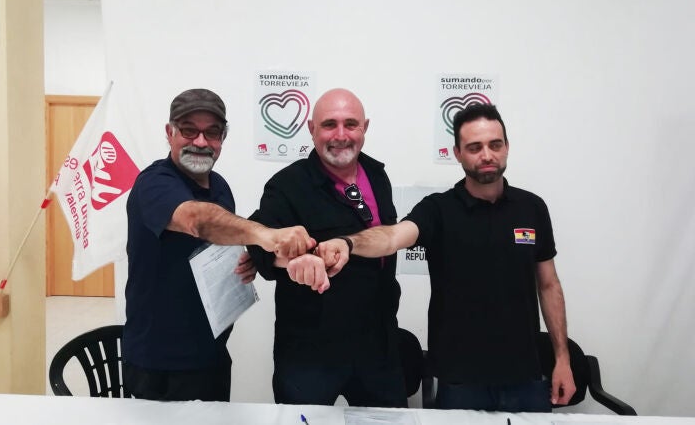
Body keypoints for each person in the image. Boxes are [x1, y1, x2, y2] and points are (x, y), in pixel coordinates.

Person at [310, 103, 576, 412]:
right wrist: (348, 243)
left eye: (495, 145)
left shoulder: (532, 208)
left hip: (526, 378)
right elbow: (393, 236)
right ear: (457, 153)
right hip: (459, 383)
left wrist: (563, 359)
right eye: (474, 147)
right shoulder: (438, 210)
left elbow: (549, 285)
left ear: (507, 147)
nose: (486, 155)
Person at [123, 88, 314, 402]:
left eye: (212, 132)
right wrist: (266, 235)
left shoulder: (220, 186)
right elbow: (195, 220)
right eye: (189, 130)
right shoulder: (153, 183)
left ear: (222, 138)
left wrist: (244, 259)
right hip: (159, 362)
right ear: (169, 133)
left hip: (211, 353)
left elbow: (219, 237)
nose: (201, 142)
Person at [247, 88, 407, 407]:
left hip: (378, 346)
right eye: (329, 124)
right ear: (311, 129)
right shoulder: (287, 185)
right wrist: (290, 260)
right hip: (310, 352)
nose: (341, 135)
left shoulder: (378, 176)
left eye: (351, 124)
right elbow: (261, 242)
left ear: (365, 127)